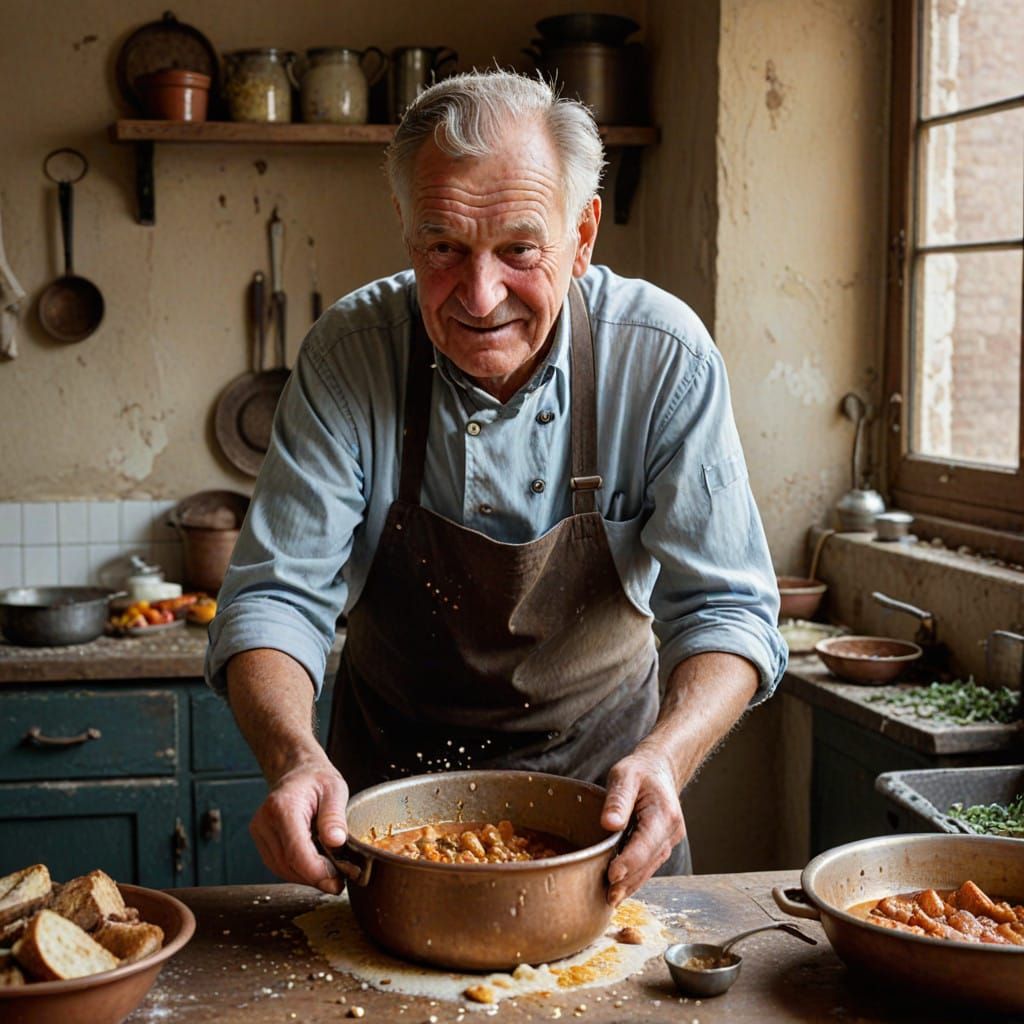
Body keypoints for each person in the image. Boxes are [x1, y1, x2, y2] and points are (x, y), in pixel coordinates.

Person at [205, 70, 786, 905]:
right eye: (444, 248)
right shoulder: (348, 357)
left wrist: (666, 759)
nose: (480, 298)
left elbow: (729, 611)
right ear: (406, 233)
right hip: (381, 821)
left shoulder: (662, 359)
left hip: (604, 820)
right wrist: (296, 759)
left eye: (519, 248)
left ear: (581, 234)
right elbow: (273, 602)